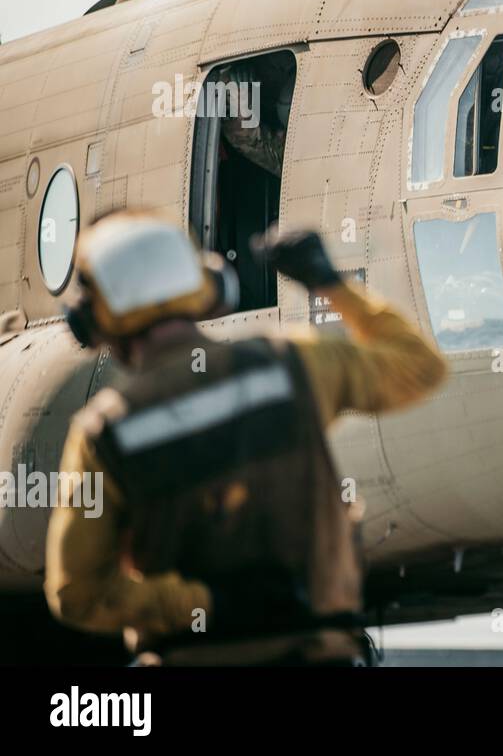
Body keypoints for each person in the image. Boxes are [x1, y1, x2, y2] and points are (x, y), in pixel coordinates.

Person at [44, 211, 448, 665]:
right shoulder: (293, 365)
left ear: (95, 320)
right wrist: (329, 284)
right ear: (207, 287)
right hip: (317, 656)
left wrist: (203, 605)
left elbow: (76, 593)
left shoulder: (104, 431)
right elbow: (420, 367)